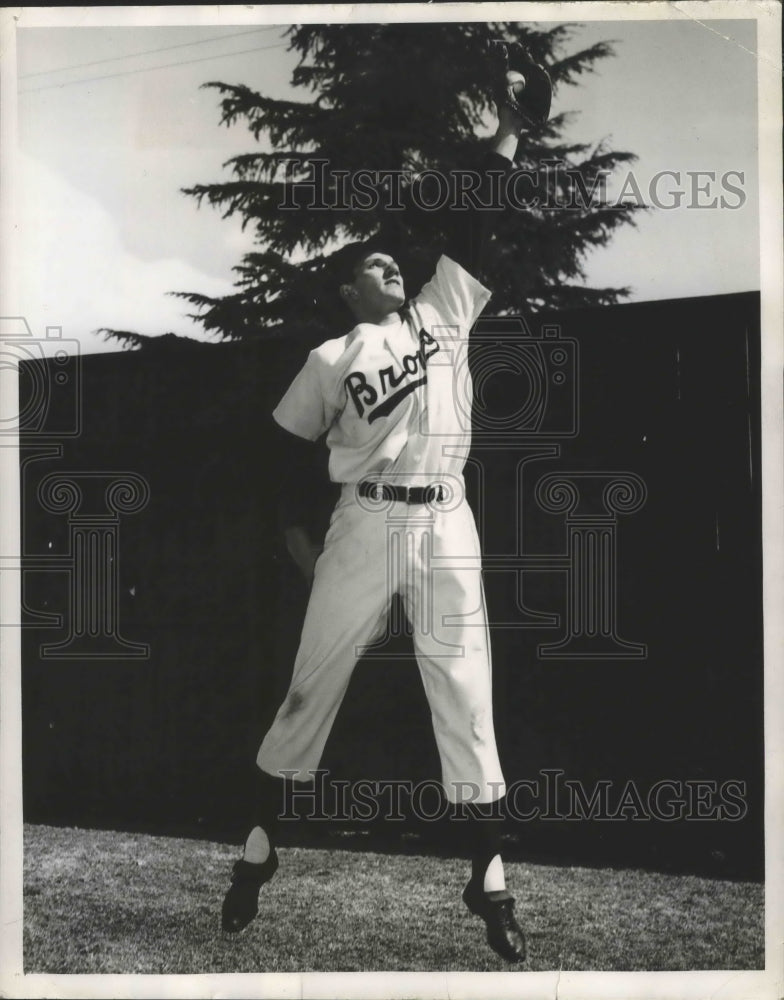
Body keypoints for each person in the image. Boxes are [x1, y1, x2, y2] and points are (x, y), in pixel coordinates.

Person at [221, 45, 551, 964]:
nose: (389, 266)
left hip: (446, 517)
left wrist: (511, 134)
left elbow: (480, 219)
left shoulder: (446, 310)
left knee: (466, 690)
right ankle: (255, 850)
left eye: (392, 258)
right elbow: (279, 454)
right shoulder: (331, 358)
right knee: (308, 684)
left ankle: (489, 882)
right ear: (346, 290)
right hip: (362, 521)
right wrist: (294, 531)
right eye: (371, 264)